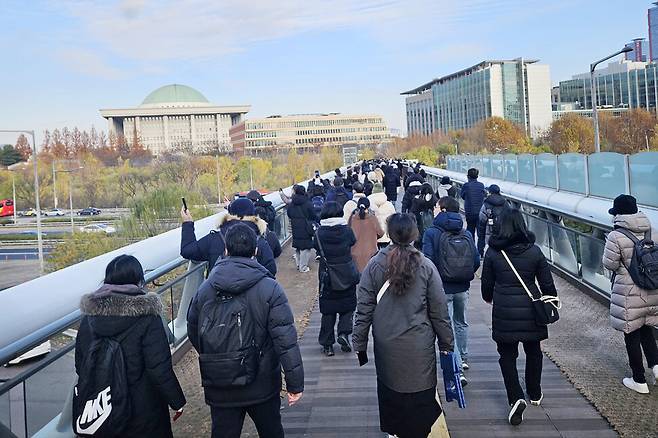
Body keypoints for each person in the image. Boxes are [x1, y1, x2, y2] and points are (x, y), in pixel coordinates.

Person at [187, 224, 304, 438]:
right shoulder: (270, 288)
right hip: (262, 382)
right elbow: (285, 340)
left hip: (220, 382)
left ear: (225, 250)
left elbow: (194, 330)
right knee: (271, 432)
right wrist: (295, 384)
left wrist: (217, 354)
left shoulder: (205, 289)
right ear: (256, 251)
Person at [353, 213, 454, 438]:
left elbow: (364, 307)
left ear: (388, 234)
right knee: (420, 393)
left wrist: (359, 343)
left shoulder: (375, 265)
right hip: (420, 344)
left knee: (392, 391)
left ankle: (396, 431)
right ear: (414, 234)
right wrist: (447, 344)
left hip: (387, 345)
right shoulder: (426, 266)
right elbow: (439, 311)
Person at [75, 255, 186, 438]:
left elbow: (82, 365)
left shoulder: (89, 318)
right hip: (143, 409)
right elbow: (159, 368)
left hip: (106, 409)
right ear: (138, 280)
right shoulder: (148, 316)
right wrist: (176, 401)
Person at [480, 208, 557, 426]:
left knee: (507, 356)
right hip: (532, 309)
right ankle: (534, 392)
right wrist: (550, 300)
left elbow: (487, 283)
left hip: (504, 309)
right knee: (534, 351)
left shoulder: (493, 253)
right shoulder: (535, 251)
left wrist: (488, 297)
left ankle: (515, 397)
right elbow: (547, 284)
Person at [602, 194, 658, 394]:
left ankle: (639, 380)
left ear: (617, 213)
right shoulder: (652, 230)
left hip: (628, 290)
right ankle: (656, 367)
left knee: (631, 333)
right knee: (647, 328)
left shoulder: (616, 236)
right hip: (651, 288)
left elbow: (610, 264)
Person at [423, 196, 479, 380]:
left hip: (441, 287)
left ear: (444, 209)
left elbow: (428, 261)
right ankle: (463, 357)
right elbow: (476, 260)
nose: (434, 209)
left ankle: (456, 367)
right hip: (463, 286)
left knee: (446, 326)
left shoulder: (431, 232)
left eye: (437, 207)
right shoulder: (466, 233)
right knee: (461, 322)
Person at [180, 198, 276, 277]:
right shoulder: (260, 240)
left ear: (230, 213)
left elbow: (187, 250)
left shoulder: (215, 238)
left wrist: (187, 223)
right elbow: (271, 270)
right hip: (253, 297)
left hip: (220, 294)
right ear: (253, 214)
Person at [314, 201, 358, 356]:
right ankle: (344, 334)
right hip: (346, 272)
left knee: (328, 311)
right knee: (347, 306)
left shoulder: (319, 233)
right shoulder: (346, 230)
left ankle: (327, 345)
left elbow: (317, 247)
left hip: (327, 275)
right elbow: (353, 242)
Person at [287, 185, 317, 273]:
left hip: (295, 226)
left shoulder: (292, 203)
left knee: (298, 247)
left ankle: (298, 264)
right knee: (305, 247)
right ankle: (303, 267)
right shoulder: (307, 202)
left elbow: (289, 214)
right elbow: (313, 215)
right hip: (305, 226)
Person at [349, 197, 384, 273]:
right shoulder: (372, 218)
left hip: (354, 253)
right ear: (368, 207)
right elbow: (381, 233)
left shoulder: (352, 218)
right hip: (370, 253)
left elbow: (348, 232)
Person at [477, 184, 510, 257]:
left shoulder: (486, 203)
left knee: (488, 245)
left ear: (490, 192)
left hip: (489, 230)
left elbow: (482, 218)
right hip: (503, 229)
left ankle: (482, 254)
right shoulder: (505, 203)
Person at [461, 168, 486, 240]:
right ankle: (480, 250)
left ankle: (471, 248)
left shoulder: (466, 185)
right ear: (477, 177)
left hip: (470, 212)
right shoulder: (481, 185)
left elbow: (462, 196)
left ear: (468, 176)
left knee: (470, 231)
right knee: (480, 233)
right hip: (480, 212)